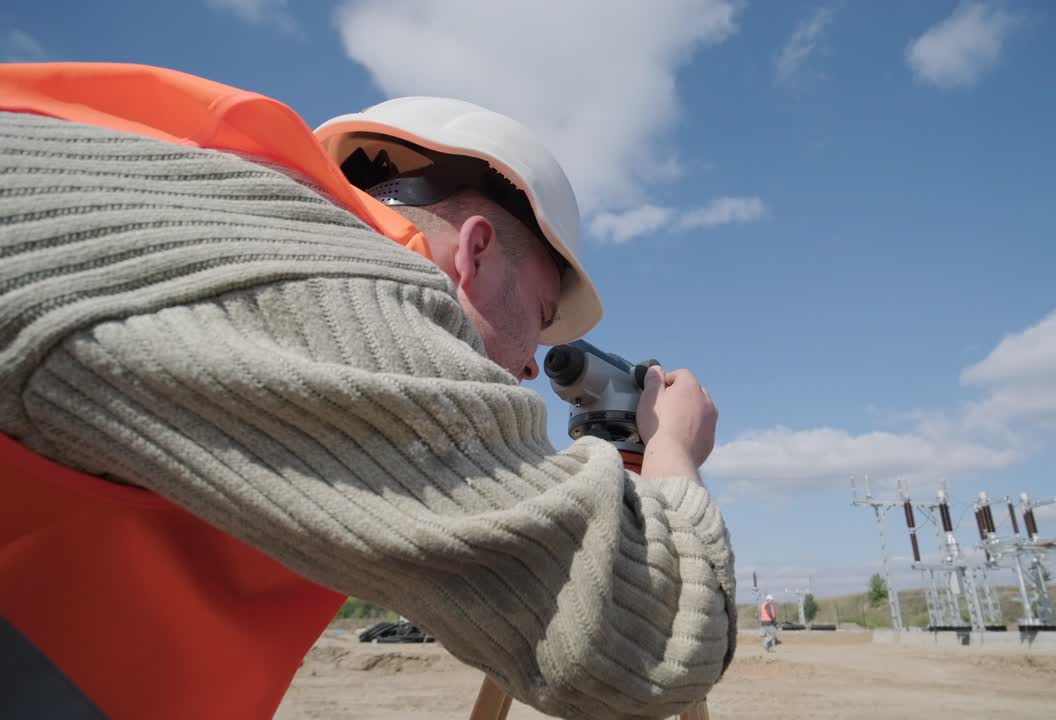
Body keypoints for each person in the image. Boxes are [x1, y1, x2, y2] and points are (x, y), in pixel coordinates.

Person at [0, 63, 735, 720]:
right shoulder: (336, 300)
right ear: (477, 253)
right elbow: (641, 651)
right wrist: (671, 448)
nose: (524, 371)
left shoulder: (201, 213)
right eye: (538, 321)